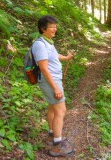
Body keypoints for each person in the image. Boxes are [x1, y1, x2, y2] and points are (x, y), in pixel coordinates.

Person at [32, 15, 74, 157]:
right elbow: (44, 68)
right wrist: (56, 87)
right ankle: (57, 145)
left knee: (52, 107)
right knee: (61, 111)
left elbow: (55, 56)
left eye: (56, 26)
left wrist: (67, 57)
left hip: (54, 80)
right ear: (43, 29)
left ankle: (52, 132)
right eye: (52, 27)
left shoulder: (48, 42)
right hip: (50, 81)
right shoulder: (39, 44)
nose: (55, 29)